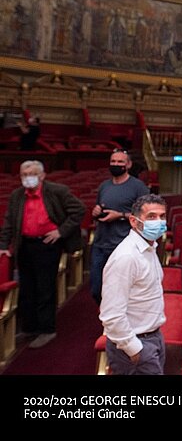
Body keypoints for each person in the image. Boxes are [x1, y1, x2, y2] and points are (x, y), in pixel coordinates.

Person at [0, 160, 85, 348]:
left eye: (31, 174)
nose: (27, 178)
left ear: (42, 176)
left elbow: (79, 210)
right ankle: (29, 328)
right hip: (24, 245)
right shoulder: (17, 196)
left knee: (45, 288)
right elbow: (9, 221)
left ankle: (47, 329)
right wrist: (4, 244)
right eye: (23, 174)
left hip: (47, 245)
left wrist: (60, 232)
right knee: (27, 288)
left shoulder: (57, 191)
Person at [99, 194, 167, 375]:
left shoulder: (150, 249)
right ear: (134, 221)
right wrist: (134, 349)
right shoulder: (127, 256)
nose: (158, 222)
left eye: (162, 216)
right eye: (151, 216)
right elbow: (111, 315)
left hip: (153, 337)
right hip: (134, 344)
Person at [90, 148, 151, 304]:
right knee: (96, 289)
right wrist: (96, 211)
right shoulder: (104, 186)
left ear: (128, 165)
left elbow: (147, 216)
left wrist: (121, 216)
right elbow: (98, 207)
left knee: (119, 291)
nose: (116, 164)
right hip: (101, 243)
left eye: (120, 162)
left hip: (123, 245)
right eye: (113, 162)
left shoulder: (138, 187)